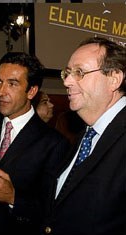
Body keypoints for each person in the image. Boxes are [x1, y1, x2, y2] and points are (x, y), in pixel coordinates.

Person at [0, 52, 70, 235]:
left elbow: (52, 210)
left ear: (32, 91)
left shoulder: (54, 143)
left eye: (12, 83)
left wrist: (13, 197)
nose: (1, 92)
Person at [41, 37, 126, 235]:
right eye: (67, 73)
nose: (67, 81)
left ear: (114, 78)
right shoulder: (86, 133)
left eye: (79, 72)